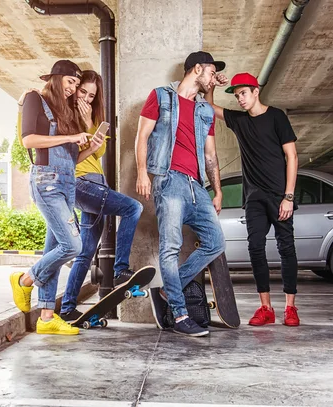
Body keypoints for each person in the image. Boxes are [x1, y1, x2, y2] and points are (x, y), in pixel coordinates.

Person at [9, 60, 105, 335]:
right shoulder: (34, 99)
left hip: (67, 184)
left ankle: (47, 316)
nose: (73, 88)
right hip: (46, 182)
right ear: (56, 78)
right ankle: (25, 280)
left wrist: (90, 147)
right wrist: (70, 137)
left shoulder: (67, 114)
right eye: (71, 82)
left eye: (77, 84)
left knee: (56, 246)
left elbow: (73, 161)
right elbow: (28, 140)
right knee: (73, 246)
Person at [135, 51, 227, 337]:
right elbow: (142, 136)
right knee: (171, 247)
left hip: (196, 185)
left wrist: (218, 190)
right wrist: (142, 173)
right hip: (168, 179)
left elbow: (210, 155)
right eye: (211, 71)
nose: (213, 77)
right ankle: (179, 313)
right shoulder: (160, 96)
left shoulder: (205, 111)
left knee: (215, 242)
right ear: (196, 68)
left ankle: (167, 290)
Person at [205, 72, 300, 327]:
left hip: (280, 196)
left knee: (286, 248)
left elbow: (292, 156)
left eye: (243, 93)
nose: (240, 100)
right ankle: (266, 307)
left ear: (255, 91)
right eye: (237, 96)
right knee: (256, 248)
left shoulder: (277, 116)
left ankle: (290, 308)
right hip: (254, 198)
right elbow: (209, 107)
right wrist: (212, 84)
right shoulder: (239, 121)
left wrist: (288, 197)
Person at [58, 70, 143, 322]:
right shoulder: (64, 114)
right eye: (82, 91)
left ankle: (67, 308)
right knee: (133, 208)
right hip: (80, 182)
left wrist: (91, 125)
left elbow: (99, 151)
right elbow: (71, 150)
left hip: (96, 184)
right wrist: (83, 125)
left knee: (85, 252)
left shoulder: (93, 120)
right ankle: (120, 270)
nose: (85, 97)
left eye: (91, 95)